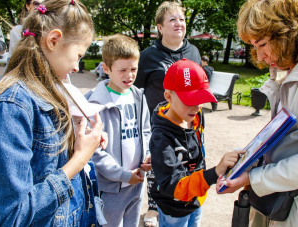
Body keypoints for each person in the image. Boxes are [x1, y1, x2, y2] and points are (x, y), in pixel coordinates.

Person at [217, 0, 298, 227]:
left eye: (261, 44)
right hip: (287, 203)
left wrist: (253, 177)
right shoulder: (292, 66)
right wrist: (250, 159)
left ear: (287, 32)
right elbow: (289, 140)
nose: (259, 56)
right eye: (253, 46)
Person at [0, 0, 108, 226]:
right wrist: (79, 159)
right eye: (78, 55)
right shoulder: (12, 106)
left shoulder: (50, 89)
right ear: (53, 40)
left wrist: (76, 139)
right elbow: (12, 215)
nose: (77, 67)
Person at [150, 59, 243, 227]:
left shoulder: (195, 117)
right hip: (174, 207)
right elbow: (174, 185)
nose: (196, 107)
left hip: (197, 197)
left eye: (200, 99)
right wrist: (213, 173)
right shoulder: (161, 138)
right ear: (168, 96)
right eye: (189, 100)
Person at [134, 2, 201, 225]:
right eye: (172, 19)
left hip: (189, 125)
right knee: (160, 169)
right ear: (160, 27)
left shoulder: (193, 52)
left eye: (181, 19)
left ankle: (189, 202)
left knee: (189, 166)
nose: (178, 23)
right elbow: (136, 91)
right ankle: (156, 208)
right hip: (161, 126)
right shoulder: (148, 56)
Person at [86, 34, 152, 227]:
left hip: (137, 183)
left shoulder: (139, 96)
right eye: (122, 69)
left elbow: (146, 131)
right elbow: (94, 151)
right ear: (105, 68)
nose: (129, 75)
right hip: (111, 189)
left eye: (133, 69)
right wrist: (123, 175)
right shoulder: (94, 103)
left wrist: (147, 156)